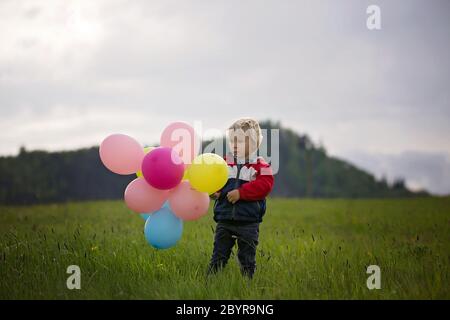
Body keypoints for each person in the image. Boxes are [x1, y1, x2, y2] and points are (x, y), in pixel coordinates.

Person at [207, 118, 274, 279]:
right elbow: (216, 181)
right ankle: (210, 283)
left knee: (247, 259)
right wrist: (215, 191)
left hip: (248, 222)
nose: (234, 145)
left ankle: (247, 285)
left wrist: (241, 193)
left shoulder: (261, 166)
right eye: (232, 141)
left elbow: (265, 185)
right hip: (225, 220)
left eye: (239, 141)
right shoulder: (224, 163)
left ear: (253, 143)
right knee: (218, 256)